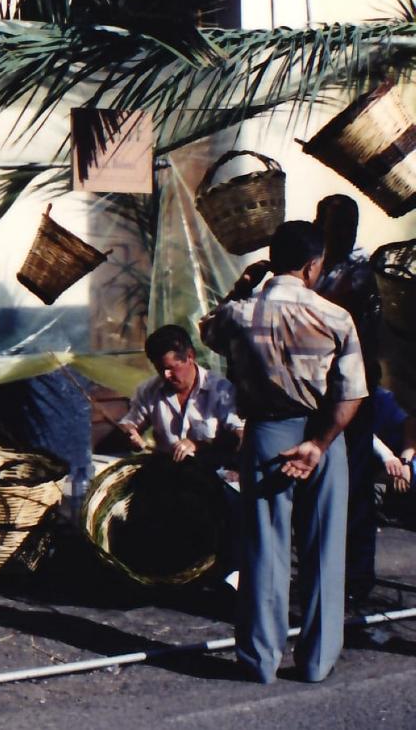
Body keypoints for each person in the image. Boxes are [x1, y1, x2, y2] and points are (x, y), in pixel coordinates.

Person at [199, 220, 368, 684]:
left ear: (272, 261)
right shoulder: (335, 317)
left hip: (266, 435)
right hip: (321, 437)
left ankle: (260, 661)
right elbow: (351, 392)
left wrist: (242, 285)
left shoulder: (239, 314)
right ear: (314, 265)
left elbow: (207, 331)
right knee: (323, 550)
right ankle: (315, 661)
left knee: (263, 549)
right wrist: (318, 444)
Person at [313, 194, 384, 601]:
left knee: (355, 482)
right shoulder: (317, 269)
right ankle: (324, 567)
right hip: (319, 389)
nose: (340, 233)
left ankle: (356, 576)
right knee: (321, 481)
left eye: (346, 225)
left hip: (354, 388)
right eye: (332, 224)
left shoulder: (360, 274)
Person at [118, 324, 244, 463]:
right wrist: (130, 433)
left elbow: (241, 436)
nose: (166, 375)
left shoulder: (221, 390)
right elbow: (130, 424)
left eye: (171, 368)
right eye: (159, 369)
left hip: (213, 473)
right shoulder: (149, 390)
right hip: (168, 472)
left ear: (190, 356)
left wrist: (198, 445)